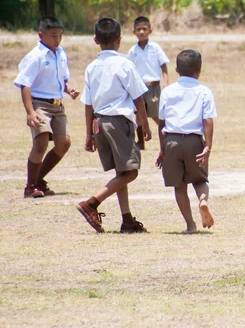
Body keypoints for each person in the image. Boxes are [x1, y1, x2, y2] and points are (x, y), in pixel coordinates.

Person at [77, 17, 151, 234]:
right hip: (119, 122)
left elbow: (88, 103)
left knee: (122, 172)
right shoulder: (125, 63)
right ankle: (92, 203)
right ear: (120, 39)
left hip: (99, 121)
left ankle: (127, 219)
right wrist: (144, 124)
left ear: (95, 40)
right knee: (131, 172)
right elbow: (138, 98)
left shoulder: (91, 68)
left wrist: (89, 134)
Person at [14, 16, 80, 198]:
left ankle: (39, 179)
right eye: (53, 35)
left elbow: (62, 79)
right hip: (40, 104)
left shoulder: (61, 53)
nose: (57, 39)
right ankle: (30, 187)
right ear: (41, 35)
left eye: (60, 35)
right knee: (41, 142)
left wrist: (69, 90)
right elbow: (24, 84)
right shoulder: (36, 56)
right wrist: (30, 111)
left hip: (58, 105)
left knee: (63, 144)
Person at [155, 49, 216, 234]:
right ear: (199, 71)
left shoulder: (167, 91)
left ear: (176, 70)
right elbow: (208, 121)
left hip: (171, 140)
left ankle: (190, 225)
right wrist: (208, 146)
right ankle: (203, 201)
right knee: (199, 179)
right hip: (194, 141)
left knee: (179, 186)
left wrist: (162, 148)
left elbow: (161, 123)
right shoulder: (204, 91)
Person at [128, 16, 170, 149]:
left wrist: (166, 81)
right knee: (139, 115)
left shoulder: (155, 47)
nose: (141, 32)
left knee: (156, 115)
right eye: (138, 29)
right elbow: (129, 69)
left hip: (153, 87)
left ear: (150, 30)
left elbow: (163, 64)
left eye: (144, 29)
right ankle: (140, 142)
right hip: (139, 87)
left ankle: (168, 137)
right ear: (134, 32)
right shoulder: (132, 51)